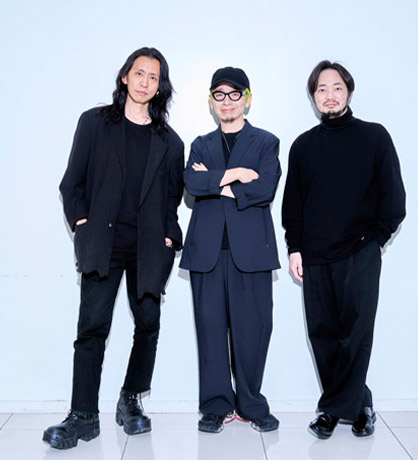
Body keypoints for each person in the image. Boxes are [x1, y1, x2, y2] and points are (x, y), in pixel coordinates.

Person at [43, 47, 184, 450]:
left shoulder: (170, 142)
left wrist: (169, 238)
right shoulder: (94, 123)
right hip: (103, 245)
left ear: (160, 87)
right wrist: (82, 224)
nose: (145, 82)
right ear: (125, 77)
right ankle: (83, 416)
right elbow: (72, 183)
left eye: (153, 77)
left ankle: (130, 399)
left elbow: (172, 200)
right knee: (92, 329)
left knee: (148, 325)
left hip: (148, 249)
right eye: (139, 73)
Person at [282, 60, 406, 439]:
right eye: (321, 89)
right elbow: (293, 205)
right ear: (313, 97)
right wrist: (295, 248)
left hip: (360, 251)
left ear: (349, 92)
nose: (329, 95)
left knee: (355, 335)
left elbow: (394, 200)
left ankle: (331, 411)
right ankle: (359, 404)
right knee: (322, 336)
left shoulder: (374, 137)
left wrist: (375, 242)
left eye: (336, 87)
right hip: (315, 256)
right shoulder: (303, 146)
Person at [180, 67, 281, 434]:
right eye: (219, 95)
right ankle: (215, 406)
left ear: (247, 99)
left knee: (253, 330)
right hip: (206, 252)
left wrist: (214, 183)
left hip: (251, 253)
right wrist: (237, 174)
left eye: (234, 94)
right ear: (211, 102)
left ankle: (251, 403)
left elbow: (265, 189)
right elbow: (191, 184)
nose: (227, 101)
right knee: (209, 331)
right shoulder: (200, 144)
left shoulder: (266, 142)